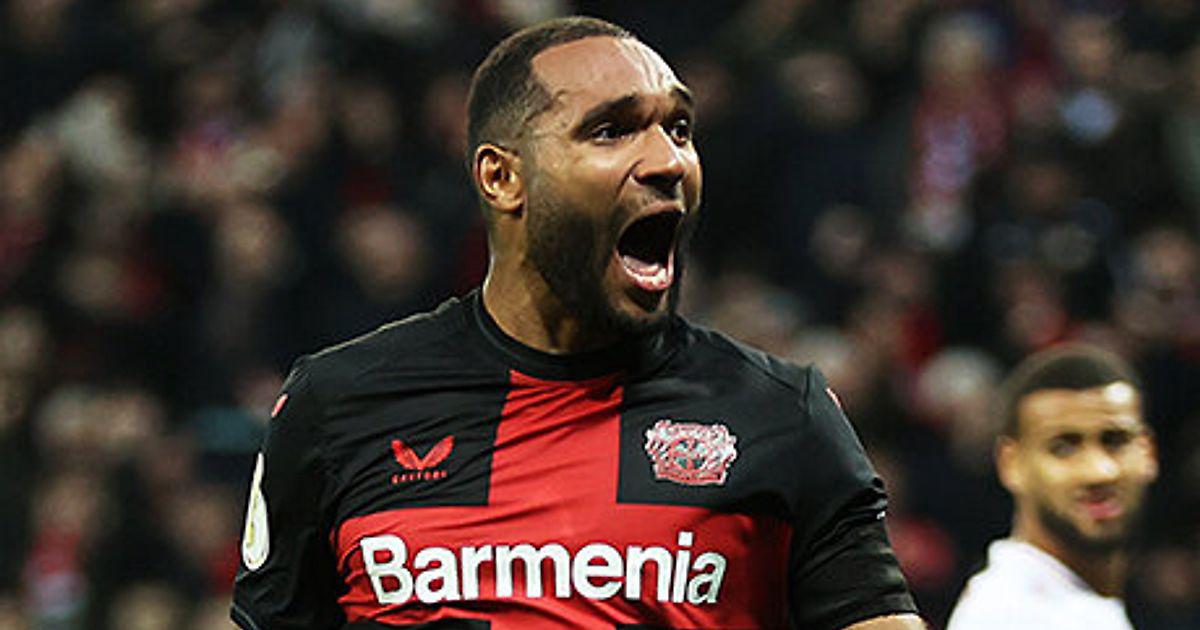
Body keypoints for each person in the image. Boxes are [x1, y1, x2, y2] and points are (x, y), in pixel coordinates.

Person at [231, 16, 923, 629]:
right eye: (612, 130)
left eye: (680, 129)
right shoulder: (338, 406)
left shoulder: (783, 416)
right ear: (502, 178)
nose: (668, 161)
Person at [947, 344, 1158, 629]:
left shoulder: (1078, 609)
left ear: (1147, 451)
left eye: (1115, 441)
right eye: (1063, 448)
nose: (1098, 471)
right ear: (1011, 463)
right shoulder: (1008, 616)